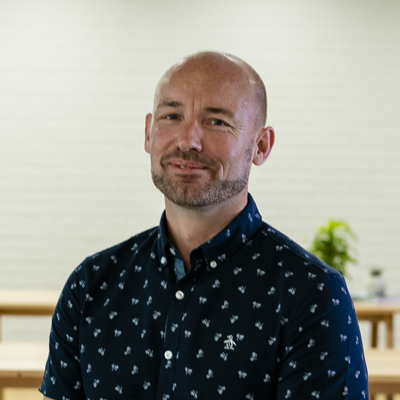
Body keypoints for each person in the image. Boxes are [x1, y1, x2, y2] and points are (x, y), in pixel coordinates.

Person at [40, 51, 368, 400]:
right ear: (148, 133)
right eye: (172, 116)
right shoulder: (91, 285)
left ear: (261, 146)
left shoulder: (312, 295)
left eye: (216, 122)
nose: (187, 141)